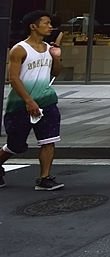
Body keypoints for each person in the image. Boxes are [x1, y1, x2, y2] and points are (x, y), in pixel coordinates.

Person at [0, 11, 65, 191]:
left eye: (50, 23)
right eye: (46, 23)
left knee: (49, 140)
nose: (50, 26)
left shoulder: (48, 48)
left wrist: (56, 57)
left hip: (47, 100)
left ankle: (44, 178)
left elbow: (56, 73)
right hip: (21, 104)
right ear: (33, 26)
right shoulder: (19, 49)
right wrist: (29, 101)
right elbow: (13, 78)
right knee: (16, 145)